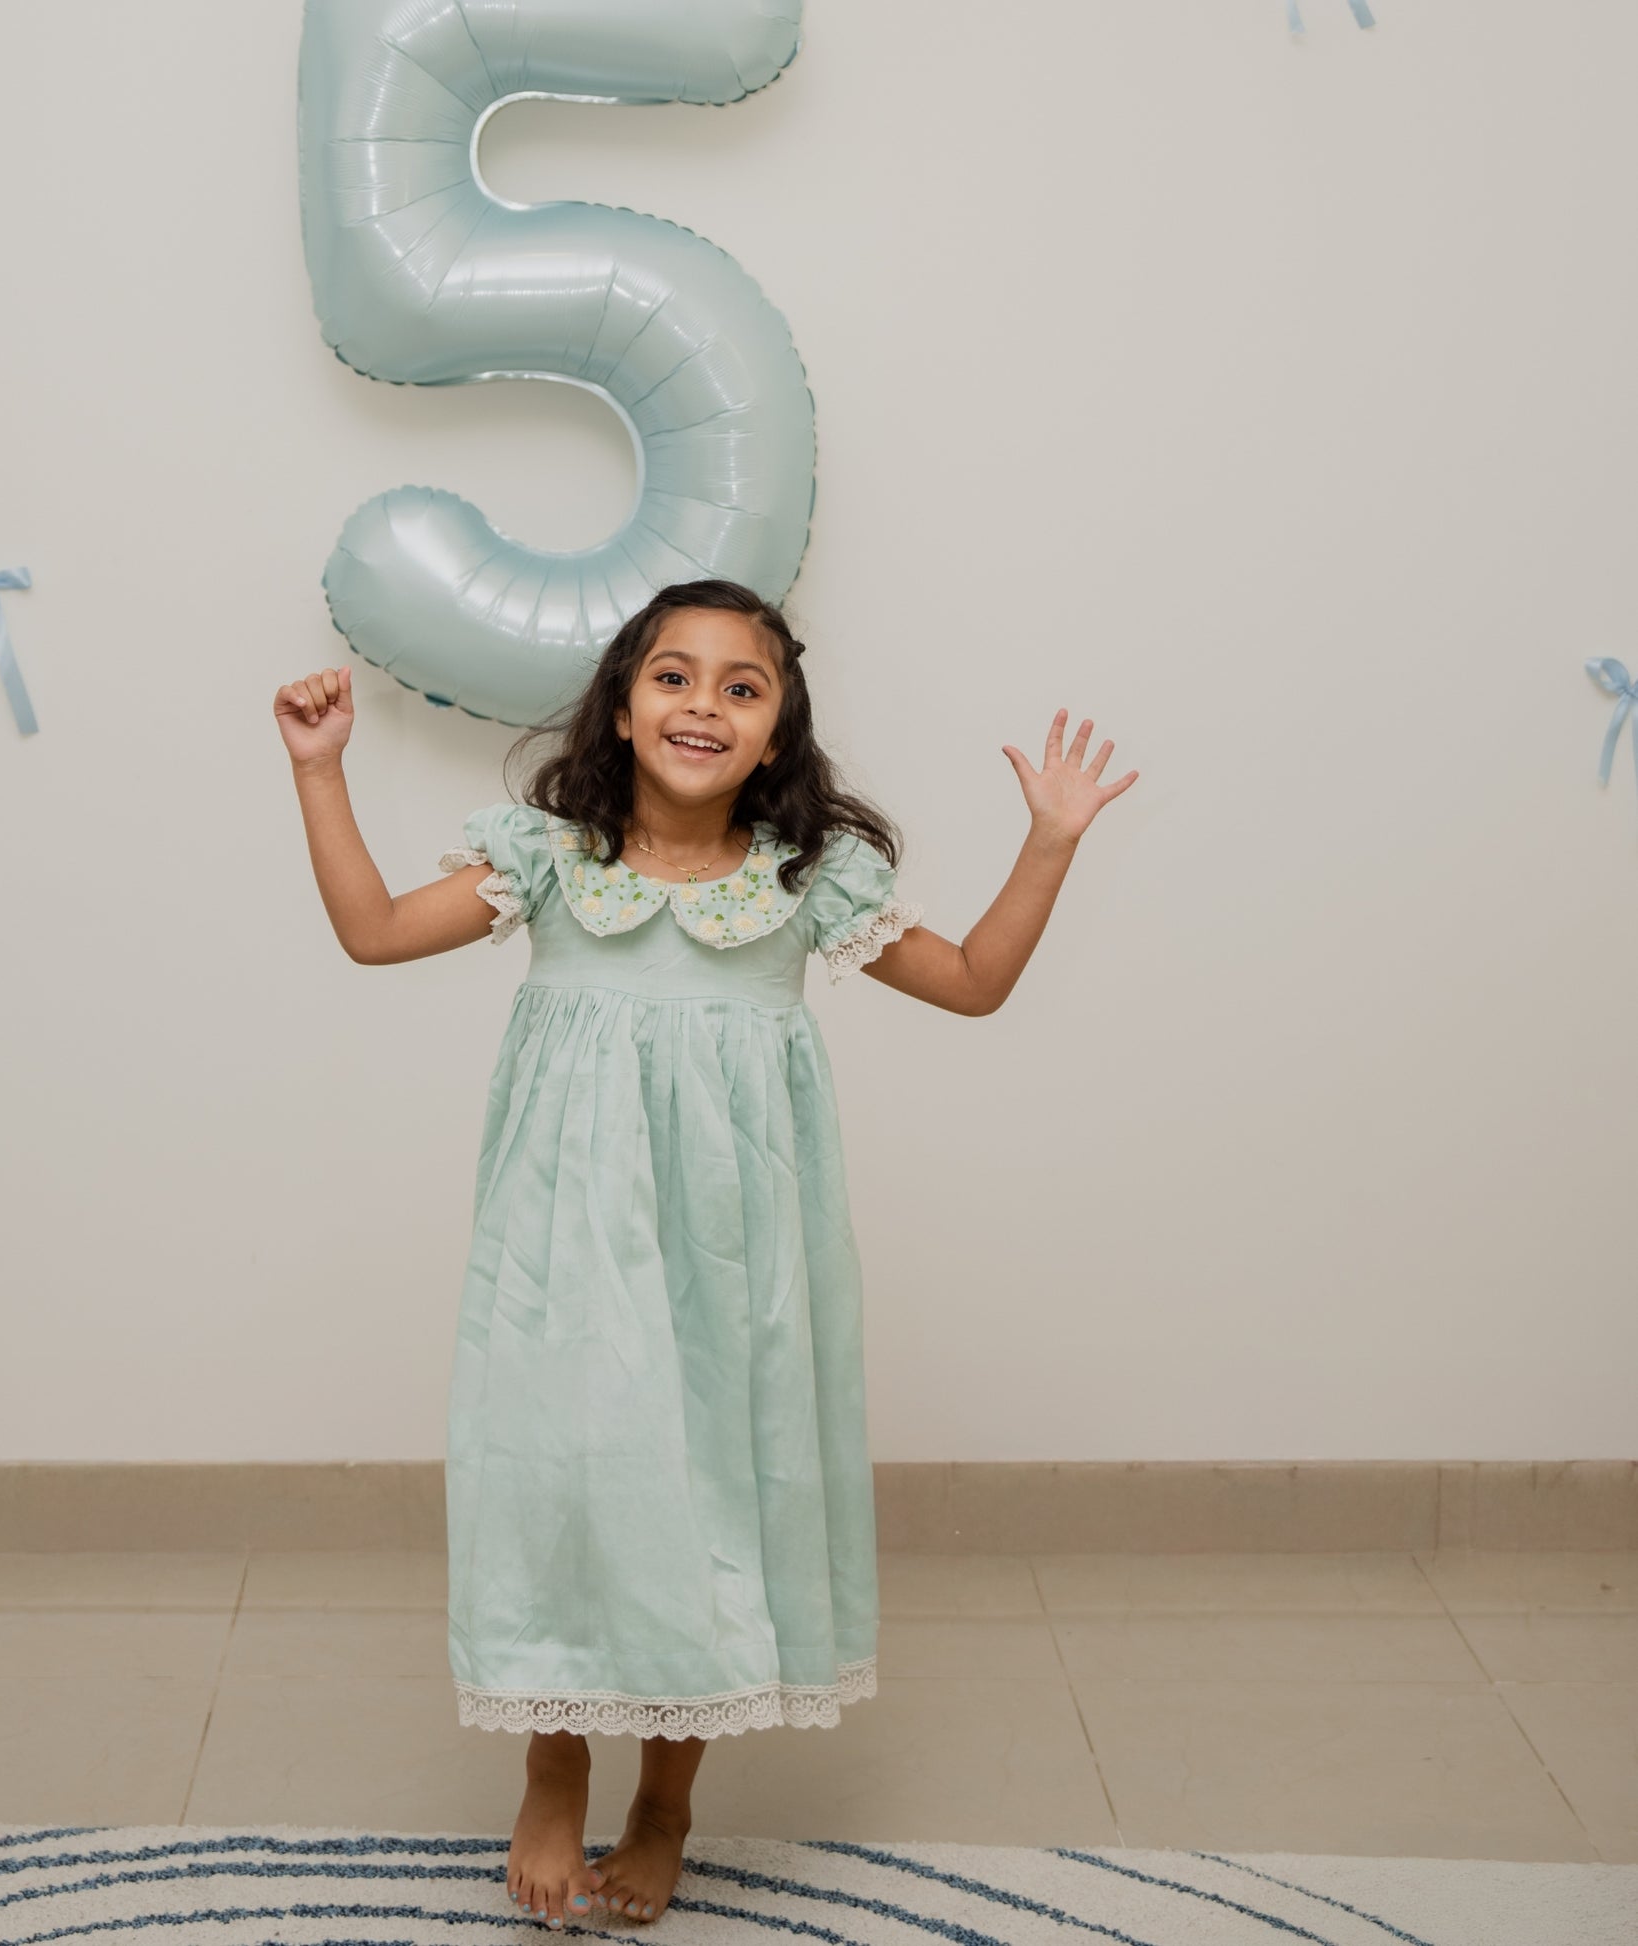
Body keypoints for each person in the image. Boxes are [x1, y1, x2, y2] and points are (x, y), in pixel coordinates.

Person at [275, 578, 1137, 1932]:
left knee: (708, 1499)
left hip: (736, 1258)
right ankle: (552, 1757)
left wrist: (1048, 843)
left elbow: (971, 980)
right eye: (673, 676)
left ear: (778, 730)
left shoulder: (800, 885)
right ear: (619, 707)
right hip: (565, 1245)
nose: (703, 704)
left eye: (743, 686)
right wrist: (321, 774)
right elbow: (375, 931)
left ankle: (666, 1797)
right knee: (564, 1486)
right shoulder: (552, 859)